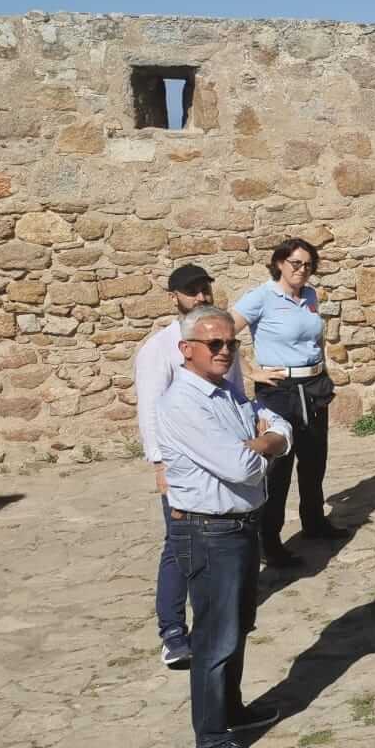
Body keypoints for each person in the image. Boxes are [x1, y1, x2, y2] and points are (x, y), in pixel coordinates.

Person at [156, 306, 292, 748]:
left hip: (239, 527)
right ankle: (210, 740)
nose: (224, 350)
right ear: (186, 350)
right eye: (214, 343)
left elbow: (280, 427)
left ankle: (230, 709)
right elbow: (241, 467)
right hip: (209, 531)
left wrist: (267, 440)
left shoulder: (228, 393)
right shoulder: (182, 404)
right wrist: (263, 446)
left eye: (231, 343)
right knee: (215, 638)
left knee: (238, 627)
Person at [133, 263, 240, 669]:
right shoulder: (159, 349)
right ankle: (173, 632)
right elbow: (149, 410)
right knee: (179, 543)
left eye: (204, 289)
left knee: (219, 537)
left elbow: (237, 393)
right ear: (174, 297)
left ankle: (217, 615)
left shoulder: (224, 339)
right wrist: (159, 462)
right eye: (191, 291)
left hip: (223, 457)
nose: (200, 296)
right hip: (180, 462)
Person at [235, 237, 350, 567]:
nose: (302, 270)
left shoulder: (311, 295)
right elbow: (225, 333)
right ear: (280, 263)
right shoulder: (262, 297)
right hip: (280, 389)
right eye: (296, 263)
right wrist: (251, 371)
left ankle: (314, 522)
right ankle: (269, 541)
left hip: (313, 385)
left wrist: (323, 372)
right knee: (279, 467)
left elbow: (316, 338)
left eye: (308, 265)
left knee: (314, 460)